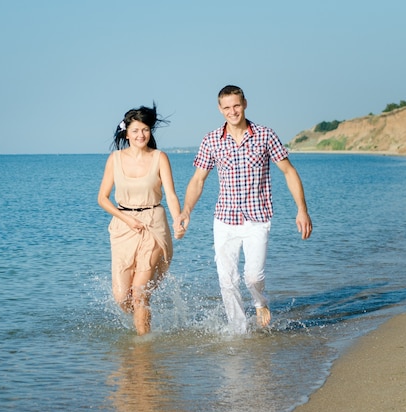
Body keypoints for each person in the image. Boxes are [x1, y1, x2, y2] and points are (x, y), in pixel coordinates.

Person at [177, 85, 313, 334]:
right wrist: (186, 211)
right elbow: (198, 180)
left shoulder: (265, 135)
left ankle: (260, 302)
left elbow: (289, 171)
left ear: (245, 104)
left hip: (257, 218)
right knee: (227, 281)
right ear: (220, 109)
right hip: (225, 220)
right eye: (227, 107)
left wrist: (301, 210)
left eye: (236, 105)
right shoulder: (211, 140)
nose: (232, 111)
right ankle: (238, 331)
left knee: (252, 277)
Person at [98, 104, 184, 336]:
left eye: (145, 130)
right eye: (135, 130)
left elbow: (172, 194)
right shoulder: (115, 159)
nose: (141, 135)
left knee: (139, 292)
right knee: (121, 297)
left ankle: (143, 348)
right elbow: (102, 199)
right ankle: (144, 323)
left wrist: (178, 219)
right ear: (127, 133)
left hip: (152, 223)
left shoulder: (159, 157)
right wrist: (126, 219)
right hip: (123, 226)